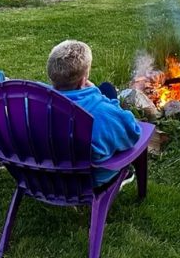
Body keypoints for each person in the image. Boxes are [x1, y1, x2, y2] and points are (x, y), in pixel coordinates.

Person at [46, 40, 141, 186]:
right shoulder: (101, 112)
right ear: (84, 79)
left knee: (106, 88)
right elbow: (132, 132)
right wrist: (98, 94)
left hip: (46, 172)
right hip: (89, 179)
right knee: (107, 90)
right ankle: (126, 174)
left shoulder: (32, 102)